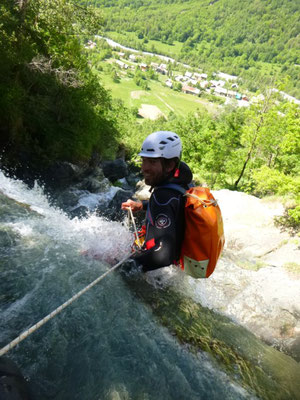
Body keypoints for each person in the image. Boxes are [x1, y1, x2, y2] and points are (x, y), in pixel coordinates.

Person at [121, 131, 193, 272]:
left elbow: (163, 256)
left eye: (152, 162)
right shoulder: (180, 186)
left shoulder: (163, 197)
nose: (144, 168)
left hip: (159, 275)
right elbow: (173, 212)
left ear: (170, 165)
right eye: (144, 160)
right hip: (174, 270)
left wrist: (125, 268)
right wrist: (142, 205)